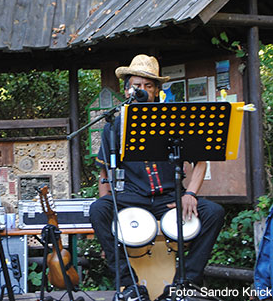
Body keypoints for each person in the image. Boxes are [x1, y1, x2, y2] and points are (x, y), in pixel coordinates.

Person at [89, 54, 225, 301]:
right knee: (98, 209)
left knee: (213, 212)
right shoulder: (114, 125)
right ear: (127, 89)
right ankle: (130, 285)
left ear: (156, 91)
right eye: (136, 86)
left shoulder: (175, 120)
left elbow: (200, 161)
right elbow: (103, 174)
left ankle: (185, 283)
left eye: (148, 86)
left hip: (170, 197)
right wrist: (111, 212)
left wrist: (191, 194)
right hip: (132, 198)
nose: (141, 91)